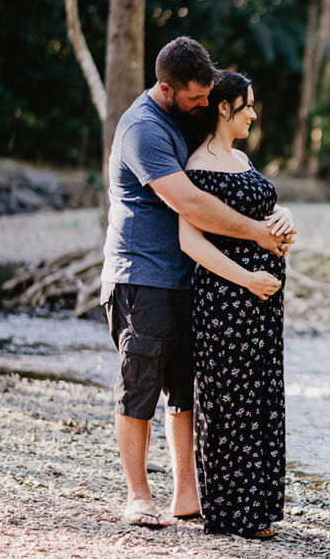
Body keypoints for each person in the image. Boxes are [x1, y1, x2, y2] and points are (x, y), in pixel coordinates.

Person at [100, 38, 292, 529]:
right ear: (166, 88)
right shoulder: (143, 128)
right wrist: (259, 234)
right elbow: (190, 203)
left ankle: (187, 495)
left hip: (190, 281)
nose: (204, 105)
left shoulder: (187, 114)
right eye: (195, 98)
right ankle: (138, 496)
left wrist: (278, 217)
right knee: (139, 387)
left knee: (186, 391)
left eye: (209, 96)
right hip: (142, 277)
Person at [178, 71, 294, 539]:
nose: (254, 114)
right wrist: (247, 279)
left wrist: (285, 215)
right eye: (248, 105)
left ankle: (259, 509)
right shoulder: (197, 167)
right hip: (226, 302)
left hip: (263, 304)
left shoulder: (242, 159)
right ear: (224, 107)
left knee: (260, 398)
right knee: (230, 404)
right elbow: (190, 241)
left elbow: (263, 211)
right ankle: (232, 514)